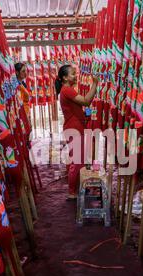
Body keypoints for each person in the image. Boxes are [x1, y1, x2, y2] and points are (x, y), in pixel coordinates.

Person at [55, 65, 99, 199]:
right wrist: (95, 84)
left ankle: (77, 187)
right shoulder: (67, 90)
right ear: (64, 77)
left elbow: (80, 107)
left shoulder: (68, 90)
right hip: (74, 129)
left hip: (76, 127)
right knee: (77, 161)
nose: (76, 75)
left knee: (78, 159)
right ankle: (72, 192)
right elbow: (86, 101)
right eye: (73, 74)